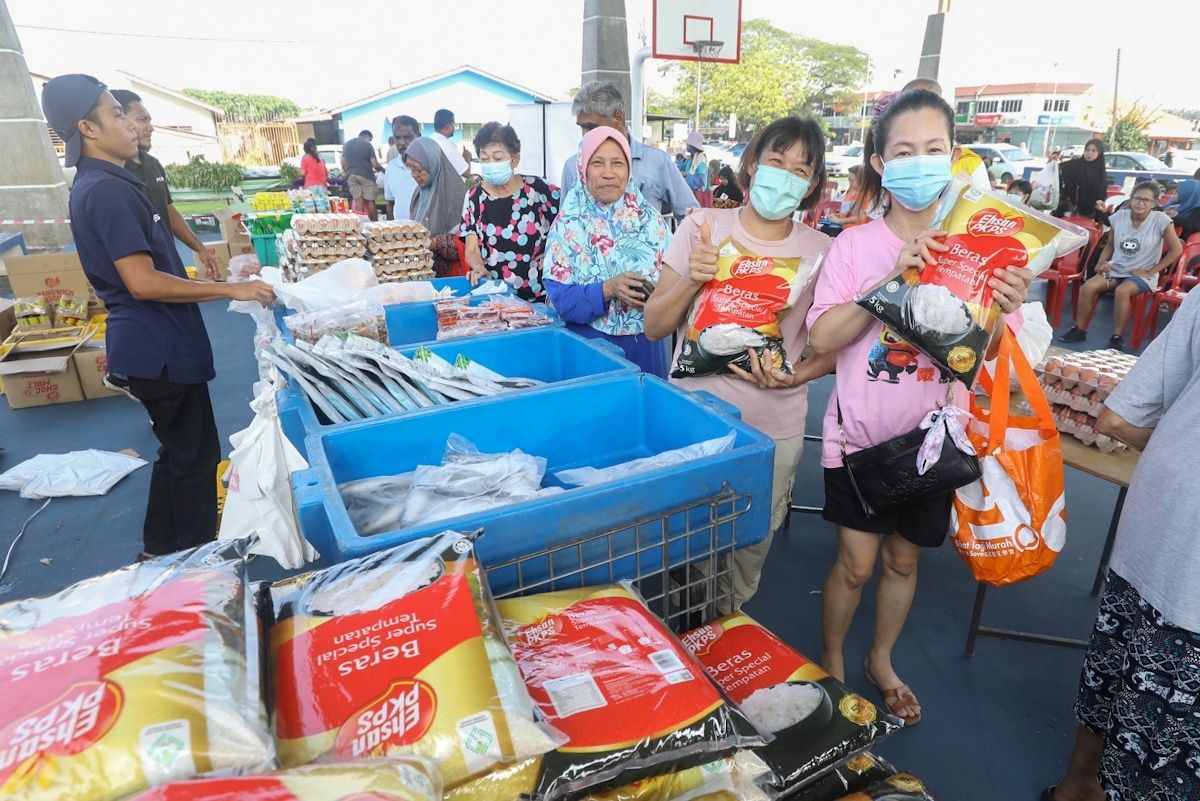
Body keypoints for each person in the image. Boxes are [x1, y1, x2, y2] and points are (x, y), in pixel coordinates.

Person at [806, 88, 1032, 725]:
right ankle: (833, 663)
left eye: (934, 149)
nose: (919, 161)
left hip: (936, 439)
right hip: (859, 437)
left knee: (904, 560)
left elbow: (978, 356)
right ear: (879, 162)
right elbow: (822, 339)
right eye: (903, 150)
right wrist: (893, 281)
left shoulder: (982, 250)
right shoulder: (853, 247)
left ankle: (881, 660)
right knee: (854, 564)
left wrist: (1003, 308)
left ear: (954, 156)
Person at [41, 75, 275, 561]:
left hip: (157, 342)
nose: (130, 124)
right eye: (117, 114)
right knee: (195, 458)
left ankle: (159, 551)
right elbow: (142, 282)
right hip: (157, 347)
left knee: (178, 452)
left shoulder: (120, 179)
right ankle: (194, 565)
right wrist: (229, 287)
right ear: (87, 127)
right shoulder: (106, 189)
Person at [644, 115, 836, 611]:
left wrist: (796, 375)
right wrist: (693, 279)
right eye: (776, 161)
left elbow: (835, 346)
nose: (786, 175)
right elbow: (653, 326)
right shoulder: (702, 227)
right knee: (682, 543)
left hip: (773, 425)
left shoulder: (823, 253)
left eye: (801, 169)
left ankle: (725, 631)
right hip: (694, 418)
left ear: (813, 184)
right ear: (752, 164)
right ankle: (689, 630)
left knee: (747, 550)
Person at [1043, 288, 1200, 801]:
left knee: (1116, 667)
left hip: (1158, 523)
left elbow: (1117, 418)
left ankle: (1076, 785)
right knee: (1171, 750)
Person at [544, 126, 670, 375]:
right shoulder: (568, 224)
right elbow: (561, 301)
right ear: (583, 169)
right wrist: (608, 289)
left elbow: (675, 287)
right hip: (590, 350)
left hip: (646, 348)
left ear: (629, 169)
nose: (609, 173)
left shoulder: (652, 222)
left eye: (618, 163)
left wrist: (659, 295)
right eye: (598, 163)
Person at [108, 90, 221, 281]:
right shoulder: (111, 177)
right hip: (143, 278)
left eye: (149, 120)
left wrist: (199, 247)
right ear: (120, 120)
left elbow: (168, 210)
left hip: (169, 263)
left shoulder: (152, 164)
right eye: (142, 120)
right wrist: (228, 289)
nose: (150, 128)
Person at [1059, 180, 1182, 349]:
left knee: (1122, 291)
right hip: (1116, 269)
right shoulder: (1119, 217)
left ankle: (1117, 337)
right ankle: (1079, 329)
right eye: (1137, 198)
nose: (1141, 203)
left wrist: (1151, 271)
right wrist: (1101, 263)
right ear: (1130, 199)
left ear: (1154, 203)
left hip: (1142, 273)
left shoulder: (1161, 220)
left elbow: (1177, 250)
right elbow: (1110, 244)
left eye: (1147, 200)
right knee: (1088, 287)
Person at [561, 81, 699, 220]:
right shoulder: (572, 167)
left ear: (618, 118)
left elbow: (691, 217)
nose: (585, 135)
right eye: (582, 127)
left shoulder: (657, 162)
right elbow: (564, 224)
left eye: (591, 127)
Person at [461, 122, 560, 301]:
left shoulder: (539, 189)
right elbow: (471, 248)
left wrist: (556, 249)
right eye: (484, 159)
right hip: (497, 296)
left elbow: (571, 220)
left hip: (540, 294)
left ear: (514, 159)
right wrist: (479, 268)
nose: (490, 164)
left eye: (497, 158)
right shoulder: (474, 197)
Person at [405, 136, 468, 275]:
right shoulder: (418, 194)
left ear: (432, 164)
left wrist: (433, 243)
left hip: (450, 277)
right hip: (421, 272)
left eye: (418, 169)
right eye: (411, 168)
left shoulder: (457, 194)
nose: (414, 174)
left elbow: (467, 245)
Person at [1054, 138, 1109, 222]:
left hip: (1091, 213)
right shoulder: (1076, 164)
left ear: (1099, 153)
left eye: (1094, 151)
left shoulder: (1100, 171)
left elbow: (1101, 194)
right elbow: (1058, 168)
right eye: (1087, 150)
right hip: (1069, 211)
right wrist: (1053, 162)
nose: (1090, 153)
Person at [341, 129, 384, 220]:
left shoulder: (347, 144)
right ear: (367, 136)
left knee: (358, 200)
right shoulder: (368, 145)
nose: (370, 141)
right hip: (366, 175)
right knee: (370, 201)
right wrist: (384, 170)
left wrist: (348, 173)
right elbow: (374, 164)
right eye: (370, 139)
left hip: (351, 175)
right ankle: (376, 223)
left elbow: (343, 162)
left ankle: (359, 223)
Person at [385, 115, 419, 221]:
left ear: (418, 136)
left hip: (428, 233)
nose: (402, 143)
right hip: (400, 234)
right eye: (397, 138)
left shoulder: (430, 166)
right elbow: (390, 204)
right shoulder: (391, 167)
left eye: (406, 137)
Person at [430, 108, 471, 178]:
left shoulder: (429, 140)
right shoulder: (446, 146)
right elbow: (466, 172)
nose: (454, 127)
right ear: (447, 126)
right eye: (454, 124)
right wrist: (467, 157)